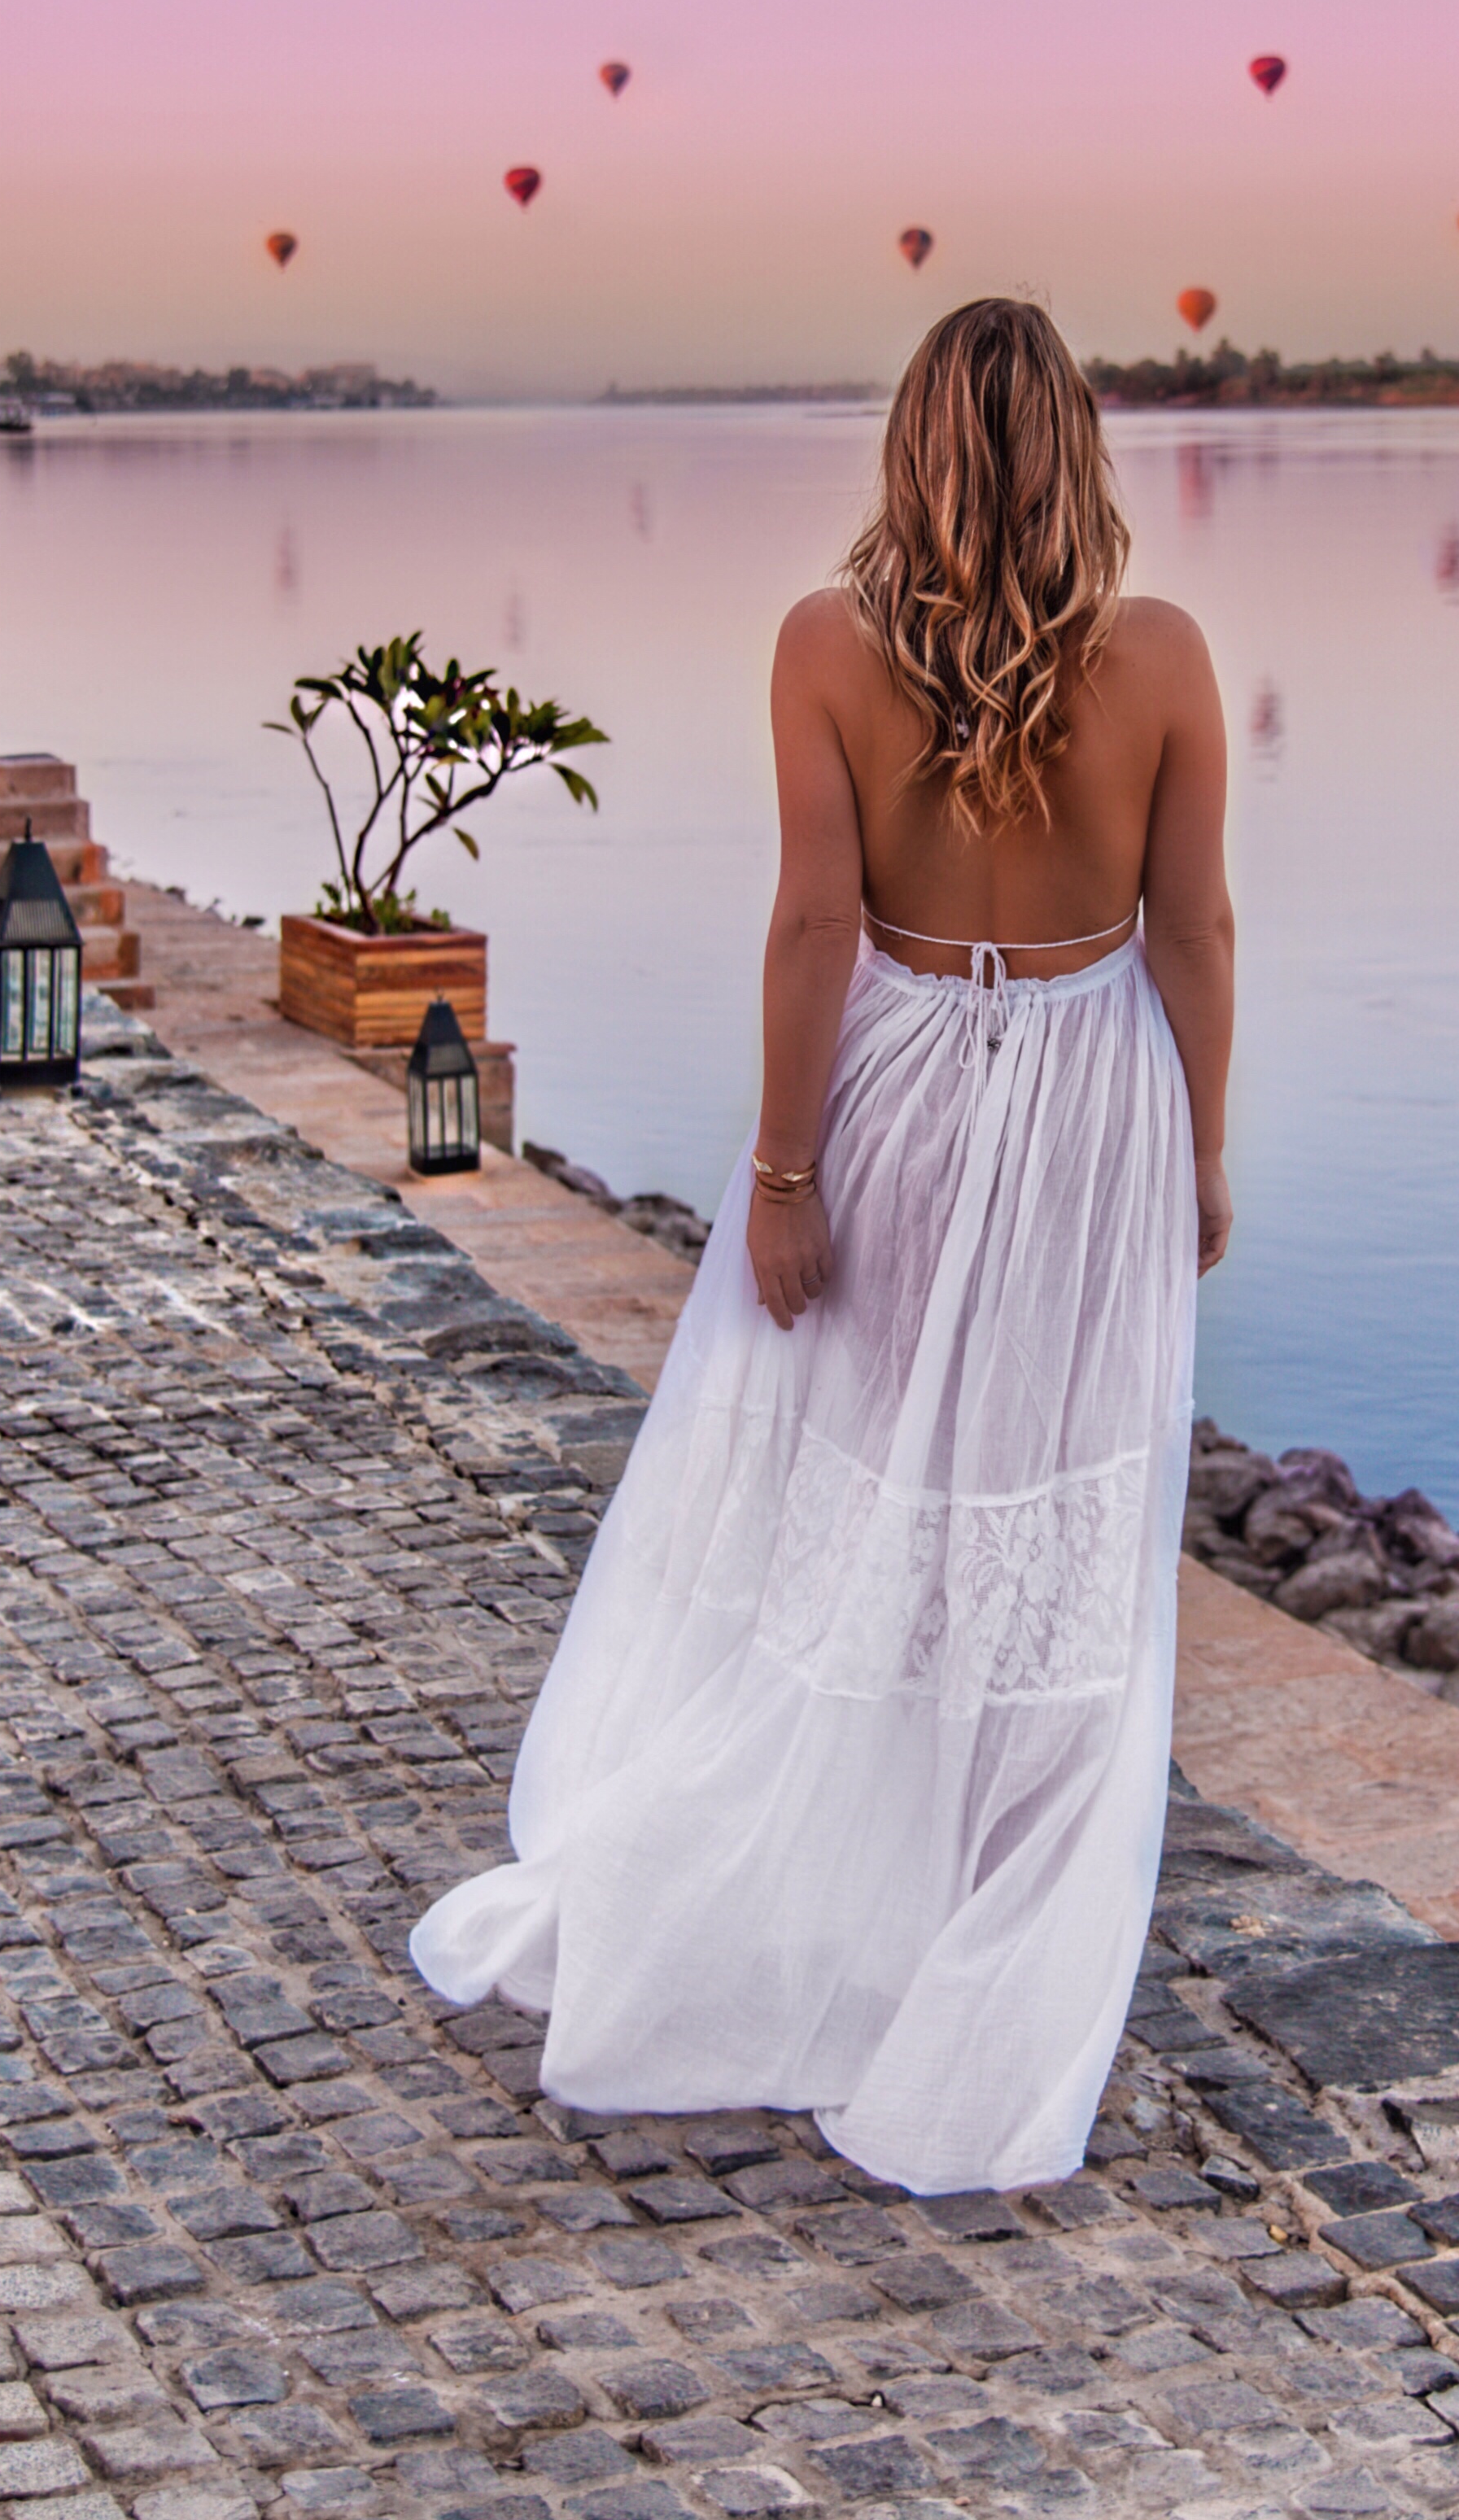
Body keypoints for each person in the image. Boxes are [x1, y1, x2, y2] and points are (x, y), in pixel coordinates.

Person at [409, 299, 1234, 2195]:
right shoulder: (1169, 654)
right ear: (1082, 453)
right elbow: (1193, 932)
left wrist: (783, 1170)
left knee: (856, 1483)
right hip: (1097, 1085)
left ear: (914, 446)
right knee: (1053, 1495)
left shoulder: (821, 645)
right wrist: (1198, 1147)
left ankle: (849, 1899)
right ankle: (977, 1923)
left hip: (903, 1076)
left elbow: (810, 925)